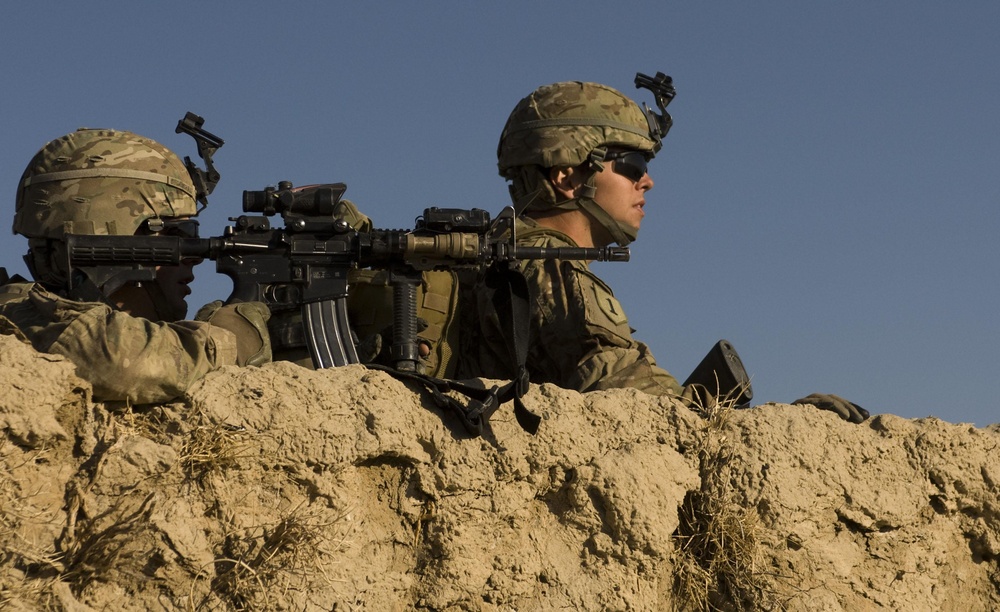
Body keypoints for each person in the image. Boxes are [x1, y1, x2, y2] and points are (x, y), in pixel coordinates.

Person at [458, 75, 868, 423]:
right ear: (566, 175)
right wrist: (788, 425)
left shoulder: (502, 254)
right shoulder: (549, 273)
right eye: (632, 166)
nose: (647, 182)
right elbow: (650, 416)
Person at [0, 127, 271, 404]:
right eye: (177, 235)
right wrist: (232, 340)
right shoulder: (20, 313)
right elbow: (118, 362)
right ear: (110, 234)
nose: (194, 257)